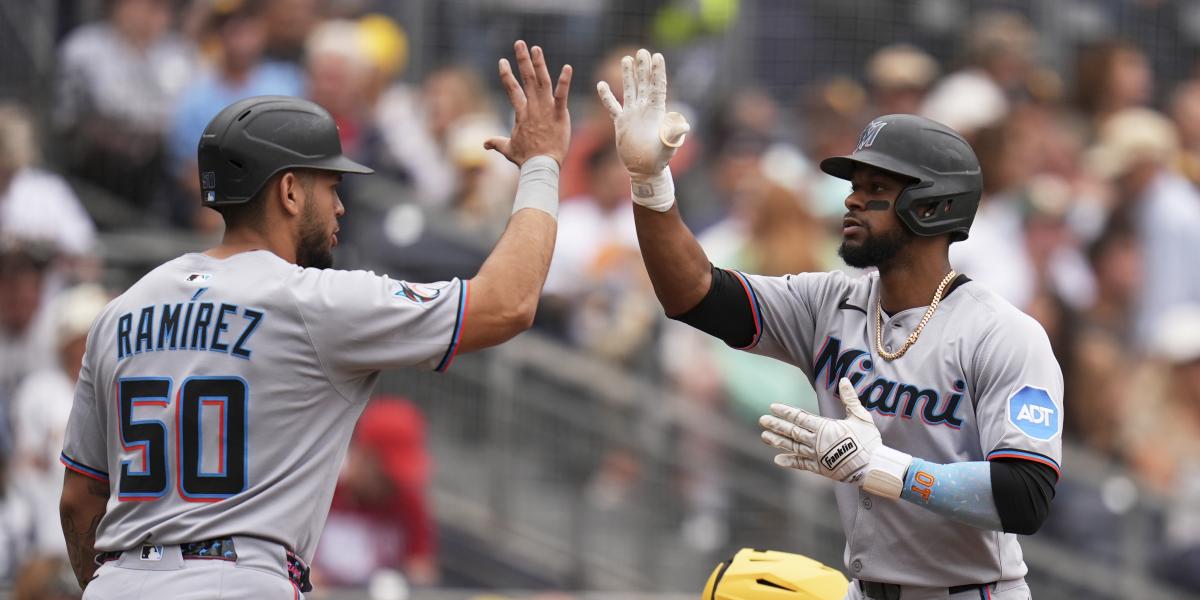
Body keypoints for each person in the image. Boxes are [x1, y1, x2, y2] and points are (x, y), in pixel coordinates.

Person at [58, 40, 572, 598]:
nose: (341, 207)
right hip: (238, 580)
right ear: (288, 191)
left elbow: (78, 499)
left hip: (118, 583)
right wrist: (542, 165)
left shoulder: (122, 308)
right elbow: (508, 303)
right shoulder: (314, 300)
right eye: (331, 186)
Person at [598, 49, 1062, 599]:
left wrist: (884, 467)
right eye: (854, 186)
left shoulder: (1003, 333)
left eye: (876, 191)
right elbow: (694, 294)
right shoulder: (828, 301)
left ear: (935, 207)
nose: (853, 201)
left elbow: (1025, 496)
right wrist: (651, 184)